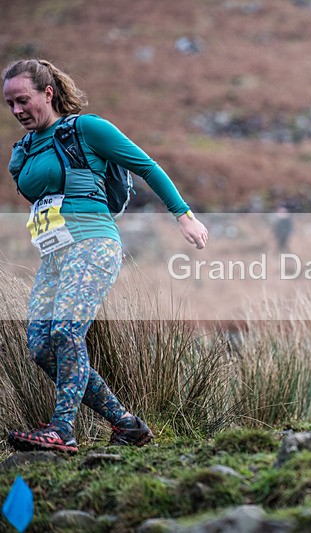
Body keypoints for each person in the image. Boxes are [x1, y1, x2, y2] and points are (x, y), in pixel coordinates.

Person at [3, 59, 208, 453]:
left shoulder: (87, 129)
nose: (17, 111)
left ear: (48, 93)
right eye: (10, 104)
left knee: (65, 331)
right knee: (41, 346)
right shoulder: (24, 150)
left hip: (94, 244)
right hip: (55, 257)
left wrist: (184, 216)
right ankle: (126, 424)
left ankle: (62, 429)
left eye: (23, 100)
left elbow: (146, 166)